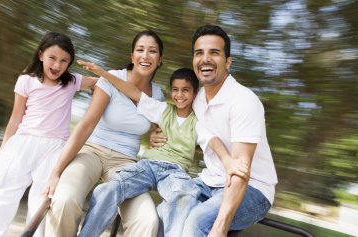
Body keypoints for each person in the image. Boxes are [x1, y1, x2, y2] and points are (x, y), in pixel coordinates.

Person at [74, 63, 249, 237]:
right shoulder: (163, 110)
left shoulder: (199, 122)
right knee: (108, 189)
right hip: (148, 166)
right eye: (175, 89)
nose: (179, 95)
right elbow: (133, 92)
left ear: (195, 93)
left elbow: (213, 140)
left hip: (174, 171)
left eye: (185, 90)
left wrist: (228, 161)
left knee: (184, 197)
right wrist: (104, 73)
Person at [151, 25, 278, 237]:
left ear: (228, 62)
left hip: (253, 190)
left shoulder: (244, 101)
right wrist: (157, 135)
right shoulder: (198, 99)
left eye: (214, 53)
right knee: (166, 213)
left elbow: (240, 171)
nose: (205, 59)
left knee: (196, 222)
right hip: (209, 181)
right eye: (199, 53)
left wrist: (220, 226)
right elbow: (188, 129)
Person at [43, 30, 165, 237]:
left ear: (159, 59)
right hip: (91, 151)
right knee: (65, 199)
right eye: (140, 50)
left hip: (125, 162)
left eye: (152, 51)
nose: (145, 55)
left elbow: (157, 128)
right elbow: (86, 125)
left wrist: (155, 136)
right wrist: (56, 172)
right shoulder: (111, 78)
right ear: (132, 56)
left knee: (148, 220)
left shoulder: (159, 94)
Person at [0, 32, 97, 237]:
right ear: (41, 55)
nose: (57, 65)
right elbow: (15, 118)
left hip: (55, 148)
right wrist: (3, 151)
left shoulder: (72, 82)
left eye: (64, 61)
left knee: (42, 201)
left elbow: (100, 83)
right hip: (23, 143)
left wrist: (102, 72)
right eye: (52, 58)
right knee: (2, 196)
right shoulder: (26, 80)